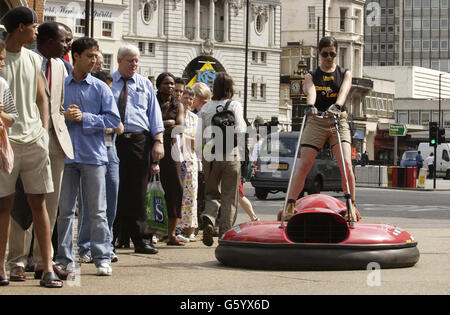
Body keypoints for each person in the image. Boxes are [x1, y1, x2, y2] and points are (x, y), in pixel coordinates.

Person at [6, 21, 74, 282]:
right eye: (64, 40)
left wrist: (68, 113)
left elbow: (55, 102)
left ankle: (44, 260)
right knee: (20, 203)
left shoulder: (60, 66)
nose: (69, 45)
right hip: (24, 139)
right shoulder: (23, 59)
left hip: (55, 141)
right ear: (45, 39)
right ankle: (17, 261)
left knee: (50, 203)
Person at [56, 37, 121, 277]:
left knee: (97, 211)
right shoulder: (61, 85)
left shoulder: (101, 87)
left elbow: (114, 121)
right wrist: (64, 115)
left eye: (96, 56)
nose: (95, 60)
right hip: (66, 155)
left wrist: (86, 117)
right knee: (64, 212)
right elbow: (51, 115)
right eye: (90, 56)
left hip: (94, 156)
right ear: (76, 56)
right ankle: (64, 258)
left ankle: (102, 257)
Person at [284, 36, 356, 222]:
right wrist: (310, 105)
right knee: (305, 163)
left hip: (337, 119)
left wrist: (338, 105)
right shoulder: (311, 75)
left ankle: (351, 206)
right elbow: (311, 91)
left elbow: (344, 91)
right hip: (317, 120)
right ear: (319, 53)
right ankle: (290, 204)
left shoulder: (344, 73)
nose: (329, 57)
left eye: (332, 54)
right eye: (325, 54)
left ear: (336, 53)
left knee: (346, 163)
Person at [112, 44, 164, 254]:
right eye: (130, 60)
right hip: (113, 140)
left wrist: (158, 141)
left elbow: (154, 115)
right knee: (113, 189)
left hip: (139, 142)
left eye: (136, 61)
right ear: (119, 61)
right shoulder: (108, 84)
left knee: (138, 192)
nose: (134, 64)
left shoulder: (144, 84)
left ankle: (141, 239)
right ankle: (113, 237)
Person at [77, 70, 123, 263]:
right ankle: (85, 246)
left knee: (110, 199)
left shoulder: (108, 99)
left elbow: (118, 126)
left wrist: (100, 124)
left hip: (109, 151)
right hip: (89, 152)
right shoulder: (88, 97)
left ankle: (107, 243)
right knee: (90, 203)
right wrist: (101, 123)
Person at [198, 72, 245, 246]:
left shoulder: (206, 108)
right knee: (229, 197)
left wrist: (201, 157)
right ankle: (225, 235)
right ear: (230, 88)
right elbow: (240, 130)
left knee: (211, 193)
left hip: (210, 155)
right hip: (230, 154)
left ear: (214, 88)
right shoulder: (235, 105)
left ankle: (209, 219)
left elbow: (199, 135)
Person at [156, 72, 185, 246]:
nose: (171, 87)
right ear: (159, 85)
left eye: (172, 83)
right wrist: (167, 123)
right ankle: (151, 231)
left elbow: (180, 126)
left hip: (172, 151)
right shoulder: (153, 101)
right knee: (150, 188)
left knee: (175, 188)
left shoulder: (178, 105)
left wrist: (162, 124)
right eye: (167, 83)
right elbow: (149, 123)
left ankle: (171, 234)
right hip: (154, 147)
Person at [179, 86, 199, 241]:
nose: (188, 100)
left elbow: (198, 142)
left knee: (190, 195)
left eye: (191, 98)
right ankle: (174, 228)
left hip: (190, 160)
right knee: (175, 194)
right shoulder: (176, 114)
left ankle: (189, 229)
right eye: (186, 97)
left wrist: (184, 138)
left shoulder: (195, 119)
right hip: (175, 159)